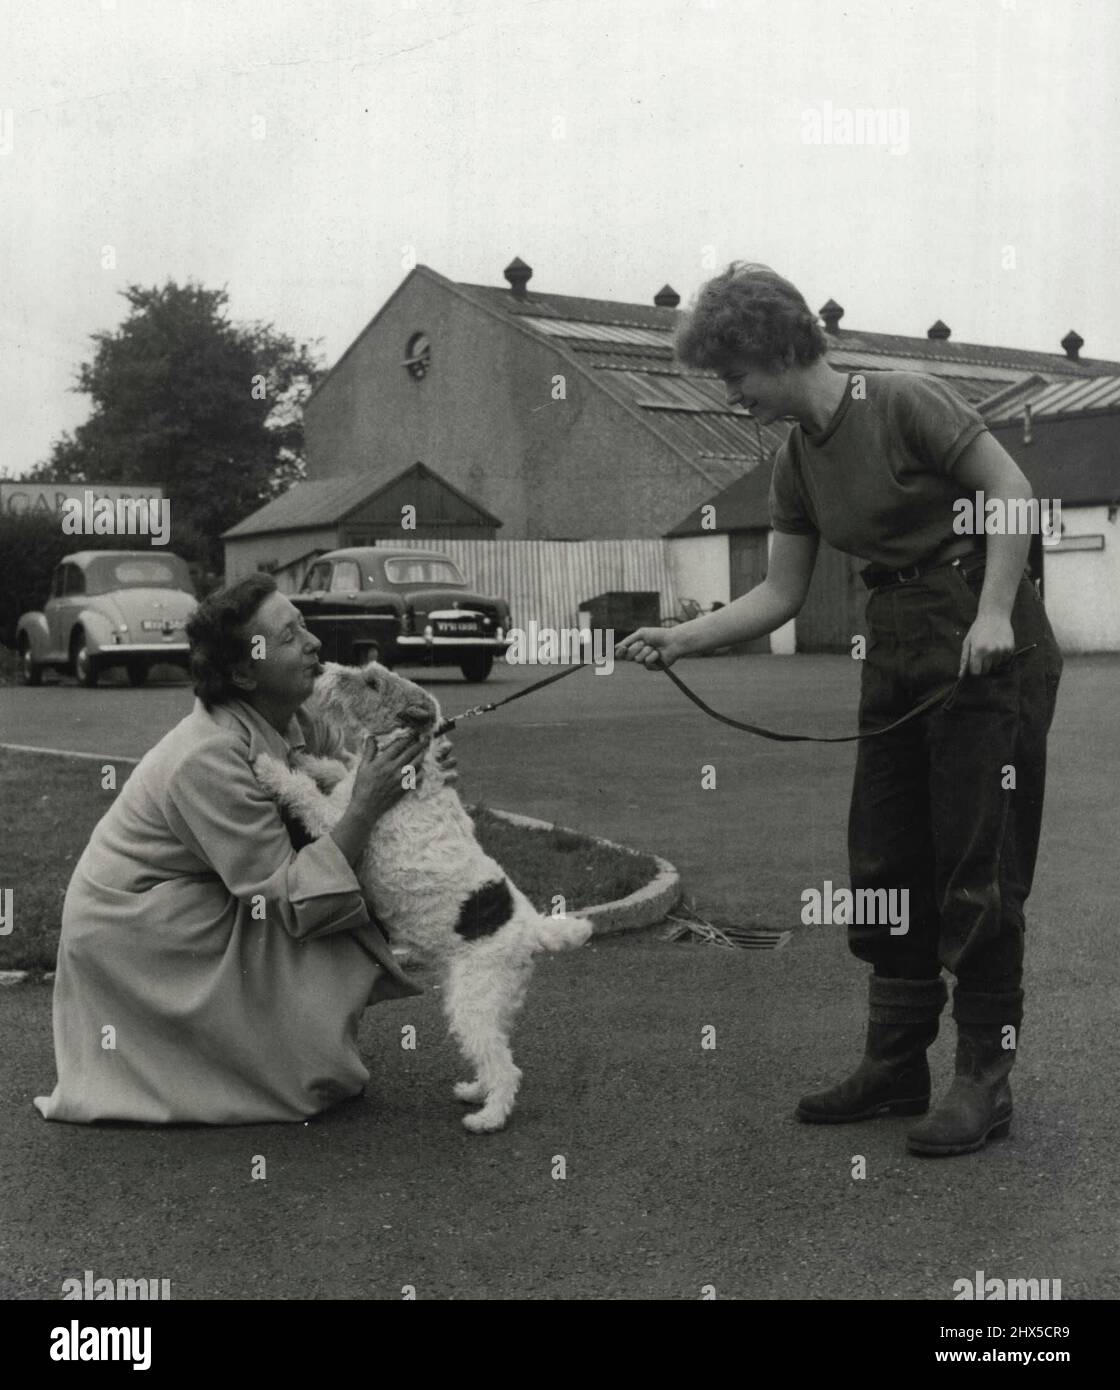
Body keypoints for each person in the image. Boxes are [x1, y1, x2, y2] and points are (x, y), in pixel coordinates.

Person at [616, 263, 1063, 1157]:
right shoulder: (794, 461)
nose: (729, 392)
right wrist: (680, 639)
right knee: (889, 855)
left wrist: (991, 613)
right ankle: (896, 1065)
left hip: (983, 632)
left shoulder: (908, 401)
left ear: (777, 349)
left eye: (732, 372)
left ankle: (984, 1079)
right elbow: (780, 594)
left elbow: (1012, 494)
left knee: (977, 861)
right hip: (894, 637)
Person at [35, 573, 452, 1125]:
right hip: (135, 925)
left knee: (336, 888)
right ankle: (253, 1060)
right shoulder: (206, 757)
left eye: (302, 625)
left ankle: (281, 1049)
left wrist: (416, 772)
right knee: (305, 921)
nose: (313, 644)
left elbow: (350, 787)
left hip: (197, 896)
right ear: (240, 671)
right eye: (287, 637)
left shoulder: (294, 718)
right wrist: (368, 805)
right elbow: (288, 897)